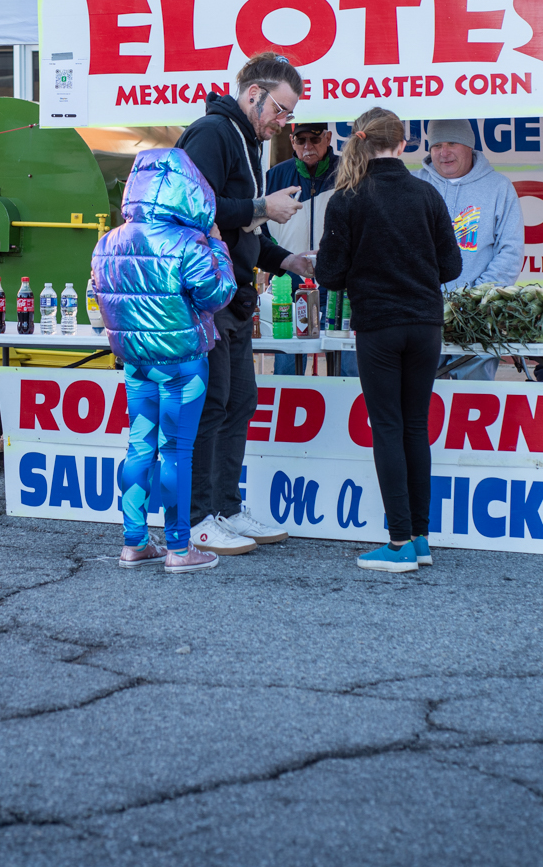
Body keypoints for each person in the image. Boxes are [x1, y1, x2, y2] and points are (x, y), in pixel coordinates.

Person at [175, 51, 314, 556]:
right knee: (211, 406)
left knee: (238, 402)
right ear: (254, 94)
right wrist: (262, 206)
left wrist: (288, 260)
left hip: (232, 296)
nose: (284, 122)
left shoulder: (243, 138)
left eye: (289, 114)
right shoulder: (212, 132)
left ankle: (225, 508)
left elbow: (245, 230)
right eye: (280, 110)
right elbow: (190, 207)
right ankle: (196, 519)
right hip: (203, 297)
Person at [313, 107, 462, 573]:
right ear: (403, 144)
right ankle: (419, 538)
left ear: (359, 141)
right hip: (425, 325)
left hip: (379, 325)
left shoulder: (346, 198)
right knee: (416, 427)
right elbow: (452, 267)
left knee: (388, 429)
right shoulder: (427, 193)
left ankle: (398, 543)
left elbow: (329, 274)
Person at [91, 148, 237, 573]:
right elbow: (218, 295)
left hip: (136, 361)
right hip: (183, 364)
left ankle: (134, 542)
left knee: (139, 447)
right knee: (176, 452)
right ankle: (179, 547)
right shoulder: (189, 243)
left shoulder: (108, 242)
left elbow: (100, 295)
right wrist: (218, 246)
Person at [414, 118, 526, 382]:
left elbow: (510, 250)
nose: (444, 152)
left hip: (477, 317)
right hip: (419, 314)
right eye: (437, 145)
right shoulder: (413, 184)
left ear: (469, 146)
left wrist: (476, 299)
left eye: (452, 143)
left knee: (472, 396)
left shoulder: (498, 187)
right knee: (420, 394)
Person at [264, 121, 353, 377]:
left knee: (346, 368)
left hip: (338, 285)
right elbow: (262, 230)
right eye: (300, 140)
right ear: (292, 141)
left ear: (328, 138)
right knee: (286, 368)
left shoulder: (348, 171)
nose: (307, 146)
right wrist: (276, 262)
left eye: (314, 139)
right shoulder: (275, 175)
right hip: (288, 284)